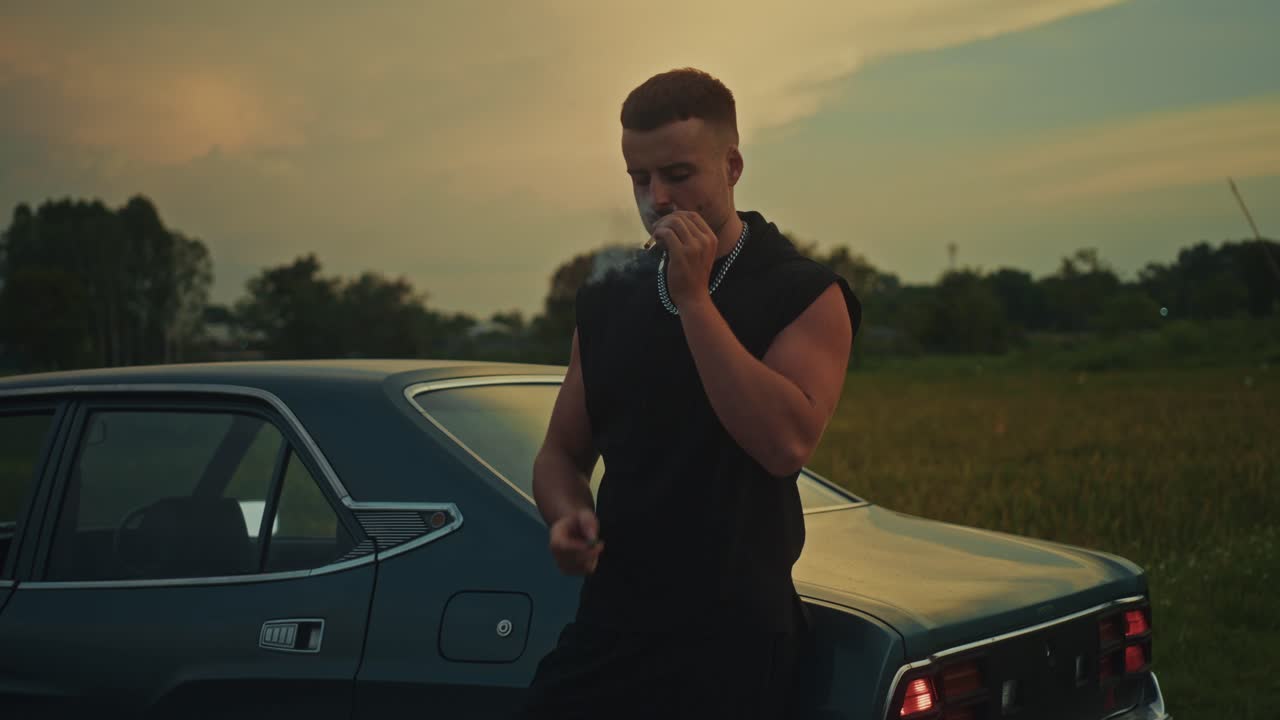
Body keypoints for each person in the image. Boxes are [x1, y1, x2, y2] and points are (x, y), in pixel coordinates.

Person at [518, 67, 861, 719]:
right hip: (611, 628)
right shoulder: (611, 298)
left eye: (678, 175)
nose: (657, 199)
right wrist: (565, 516)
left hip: (731, 646)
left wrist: (694, 300)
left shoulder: (802, 291)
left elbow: (784, 444)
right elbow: (560, 454)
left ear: (732, 166)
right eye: (639, 179)